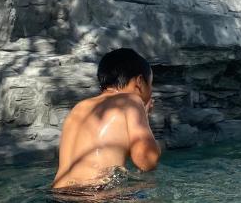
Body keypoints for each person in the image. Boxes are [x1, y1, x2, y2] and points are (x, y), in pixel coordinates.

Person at [53, 48, 161, 191]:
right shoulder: (131, 101)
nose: (151, 90)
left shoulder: (79, 108)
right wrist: (144, 119)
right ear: (139, 82)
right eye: (151, 84)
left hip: (59, 196)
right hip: (94, 198)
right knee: (151, 193)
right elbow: (147, 161)